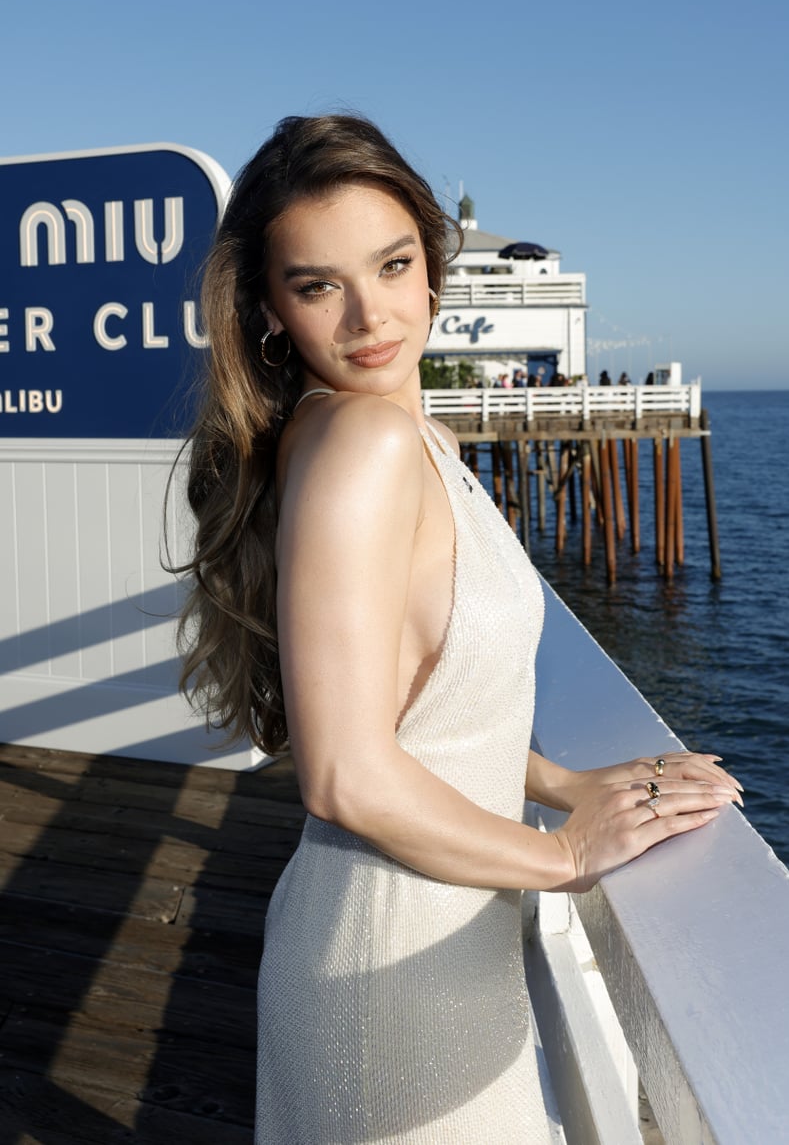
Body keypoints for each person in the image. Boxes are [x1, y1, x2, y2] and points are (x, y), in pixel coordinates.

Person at [175, 114, 743, 1144]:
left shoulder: (385, 432)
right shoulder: (362, 444)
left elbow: (424, 707)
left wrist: (561, 781)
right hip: (393, 969)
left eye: (392, 265)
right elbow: (345, 773)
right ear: (269, 310)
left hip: (426, 942)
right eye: (317, 286)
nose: (369, 315)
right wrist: (569, 854)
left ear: (431, 264)